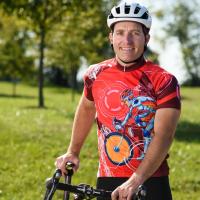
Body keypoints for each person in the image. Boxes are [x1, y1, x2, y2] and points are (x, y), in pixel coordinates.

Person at [55, 1, 181, 199]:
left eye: (135, 33)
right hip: (107, 177)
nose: (127, 40)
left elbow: (164, 136)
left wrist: (135, 180)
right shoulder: (95, 74)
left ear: (146, 38)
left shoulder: (164, 80)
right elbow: (88, 109)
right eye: (120, 32)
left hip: (151, 181)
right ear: (110, 37)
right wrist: (73, 151)